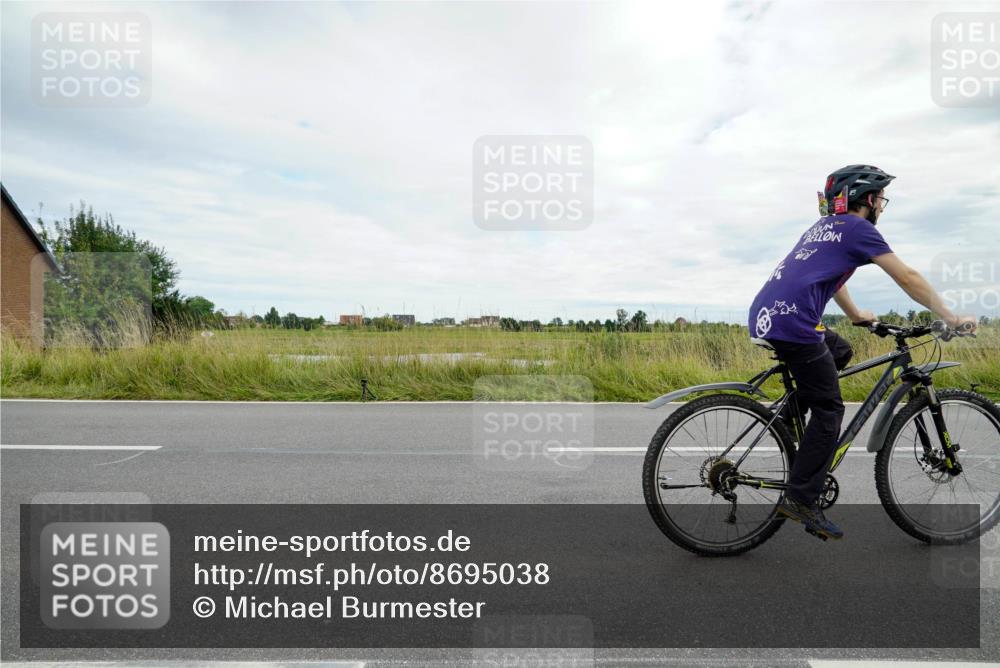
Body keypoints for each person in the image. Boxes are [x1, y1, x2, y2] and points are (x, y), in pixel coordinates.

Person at [746, 164, 977, 540]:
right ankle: (802, 498)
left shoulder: (823, 228)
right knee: (830, 409)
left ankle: (789, 418)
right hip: (794, 324)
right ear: (868, 200)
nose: (882, 206)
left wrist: (854, 315)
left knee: (839, 351)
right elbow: (907, 277)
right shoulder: (859, 229)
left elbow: (826, 275)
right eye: (881, 198)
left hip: (769, 315)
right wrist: (949, 317)